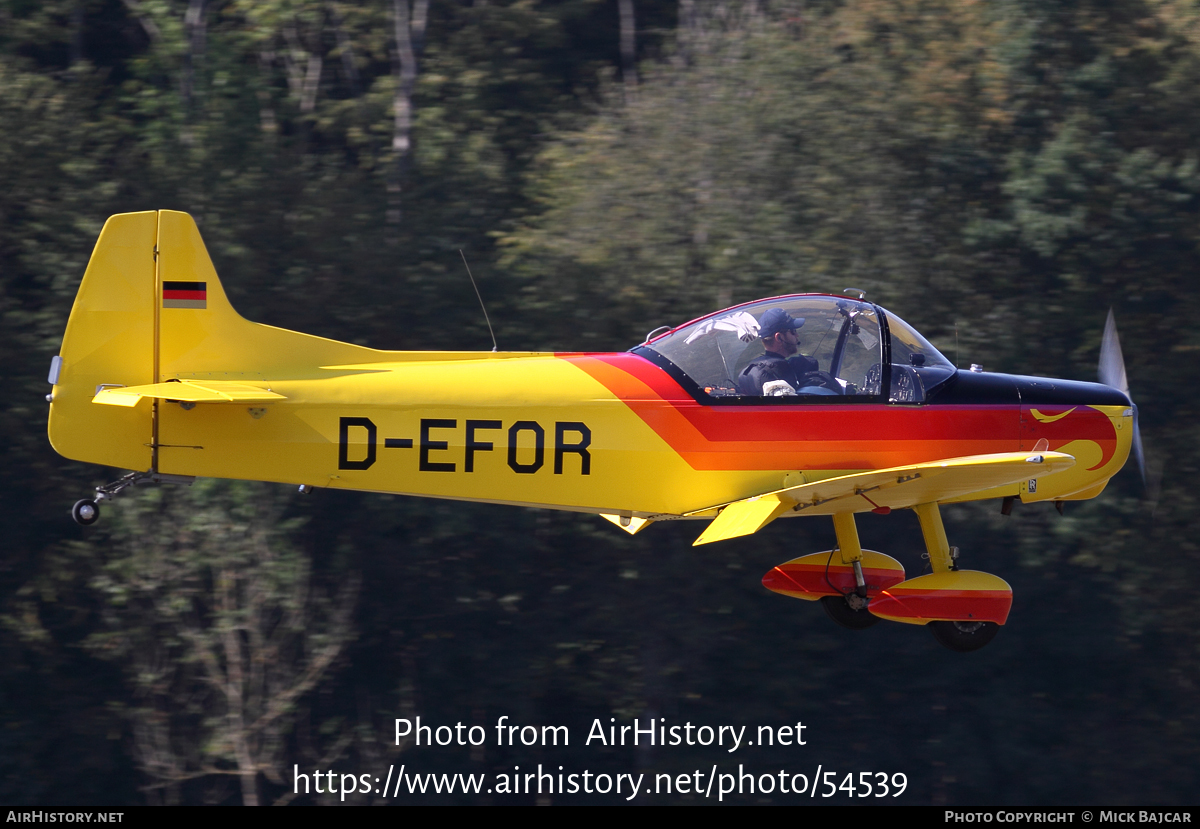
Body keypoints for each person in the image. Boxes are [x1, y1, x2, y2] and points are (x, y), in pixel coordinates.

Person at [737, 308, 836, 396]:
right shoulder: (782, 371)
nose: (797, 335)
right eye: (792, 331)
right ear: (779, 337)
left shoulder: (753, 368)